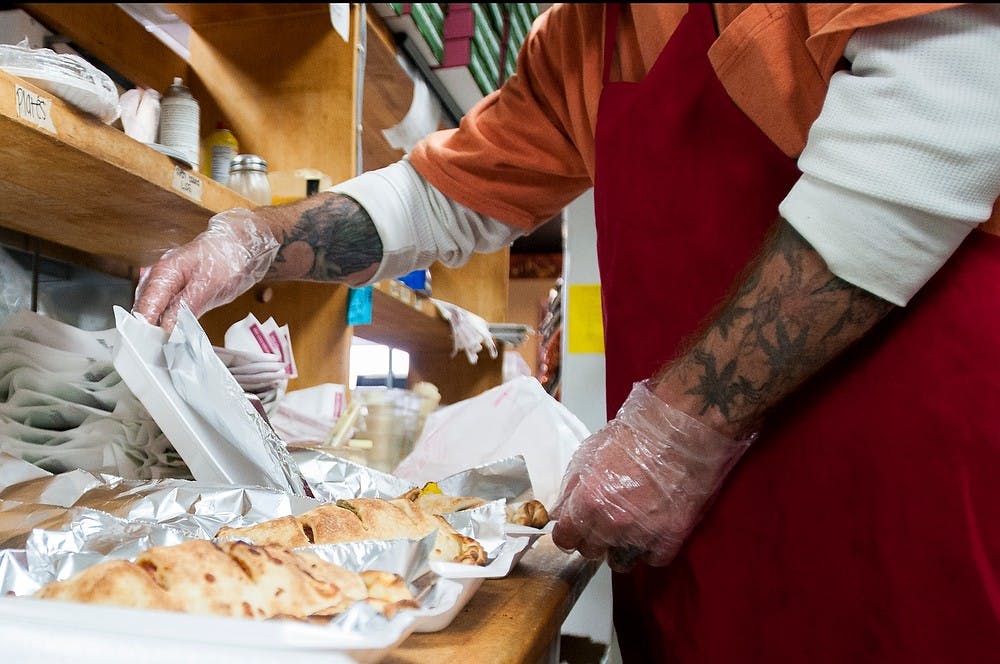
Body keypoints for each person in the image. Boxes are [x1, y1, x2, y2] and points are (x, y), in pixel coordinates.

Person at [133, 4, 1000, 662]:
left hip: (896, 480)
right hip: (704, 531)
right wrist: (259, 240)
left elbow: (945, 106)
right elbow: (446, 195)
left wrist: (680, 427)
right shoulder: (584, 32)